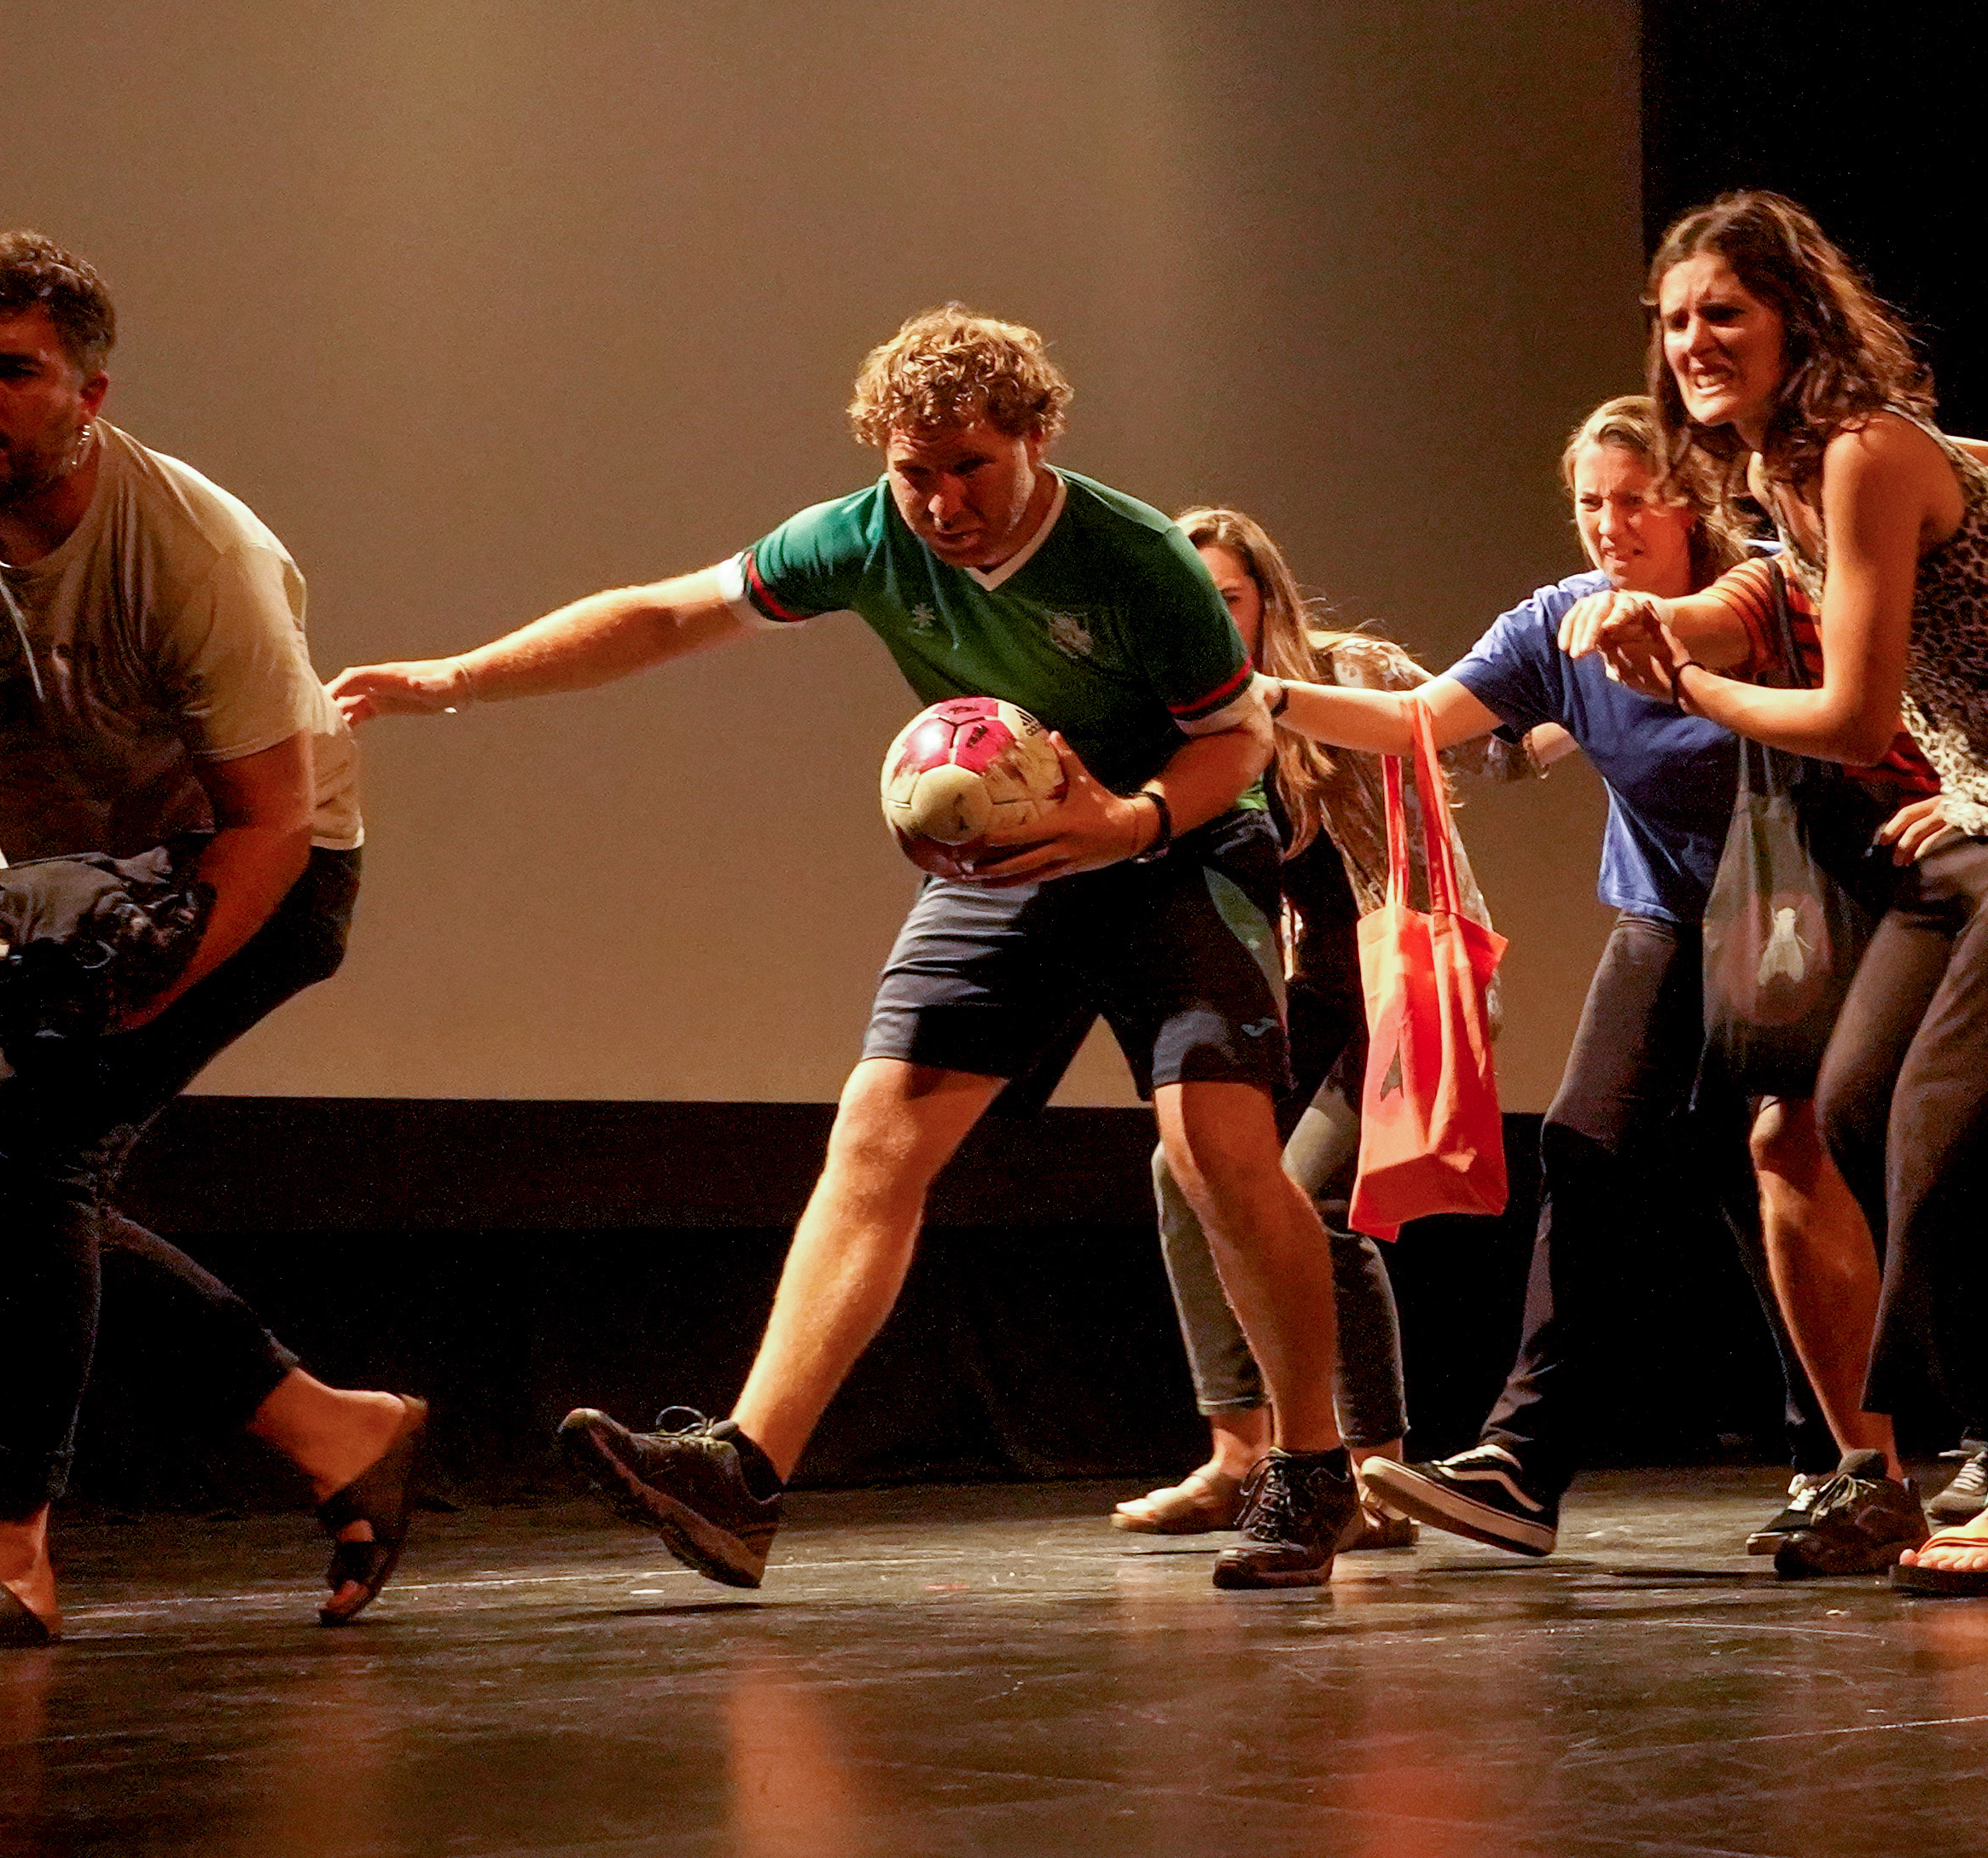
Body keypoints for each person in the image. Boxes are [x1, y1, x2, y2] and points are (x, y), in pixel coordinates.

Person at [332, 305, 1365, 1590]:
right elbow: (665, 615)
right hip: (1011, 852)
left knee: (1214, 1147)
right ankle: (744, 1474)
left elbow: (1238, 741)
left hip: (1177, 845)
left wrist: (1128, 819)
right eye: (914, 472)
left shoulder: (1136, 556)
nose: (941, 502)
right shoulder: (863, 536)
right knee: (879, 1129)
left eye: (971, 467)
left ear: (1036, 440)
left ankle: (1310, 1467)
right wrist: (456, 679)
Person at [1581, 195, 1988, 1595]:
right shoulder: (1784, 472)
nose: (1692, 341)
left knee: (1954, 1117)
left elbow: (1854, 714)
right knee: (1859, 1098)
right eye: (1674, 320)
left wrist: (1683, 682)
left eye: (1723, 312)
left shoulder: (1863, 450)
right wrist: (1671, 620)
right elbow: (1779, 590)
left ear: (1795, 317)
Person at [0, 232, 418, 1655]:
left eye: (12, 371)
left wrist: (141, 999)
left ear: (89, 397)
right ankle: (339, 1431)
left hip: (260, 867)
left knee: (14, 1130)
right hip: (76, 878)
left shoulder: (192, 550)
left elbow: (268, 823)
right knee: (12, 1189)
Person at [1282, 401, 1856, 1566]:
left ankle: (1846, 1460)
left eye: (1634, 498)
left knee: (1782, 1171)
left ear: (1693, 501)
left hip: (1809, 909)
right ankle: (1523, 1463)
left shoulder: (1773, 597)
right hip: (1668, 917)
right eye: (1591, 501)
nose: (1608, 522)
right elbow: (1416, 720)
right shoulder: (1560, 623)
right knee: (1586, 1146)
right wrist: (1264, 699)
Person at [1111, 506, 1539, 1548]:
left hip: (1405, 984)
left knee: (1310, 1203)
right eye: (1189, 601)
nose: (1209, 618)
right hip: (1308, 992)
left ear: (1267, 600)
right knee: (1183, 1167)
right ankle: (1239, 1454)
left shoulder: (1348, 672)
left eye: (1227, 598)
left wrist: (1585, 711)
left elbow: (1485, 744)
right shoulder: (1181, 716)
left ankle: (1370, 1473)